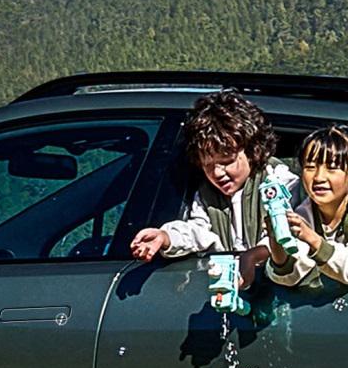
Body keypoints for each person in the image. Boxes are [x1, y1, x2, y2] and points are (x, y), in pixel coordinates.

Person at [125, 90, 299, 308]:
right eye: (208, 165)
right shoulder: (207, 194)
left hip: (277, 296)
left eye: (226, 161)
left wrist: (253, 256)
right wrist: (166, 236)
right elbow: (197, 230)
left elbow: (289, 231)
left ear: (252, 150)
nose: (217, 173)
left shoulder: (279, 181)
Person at [255, 123, 348, 296]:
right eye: (310, 167)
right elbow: (289, 276)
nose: (319, 177)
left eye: (332, 167)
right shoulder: (304, 212)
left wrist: (309, 237)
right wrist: (276, 239)